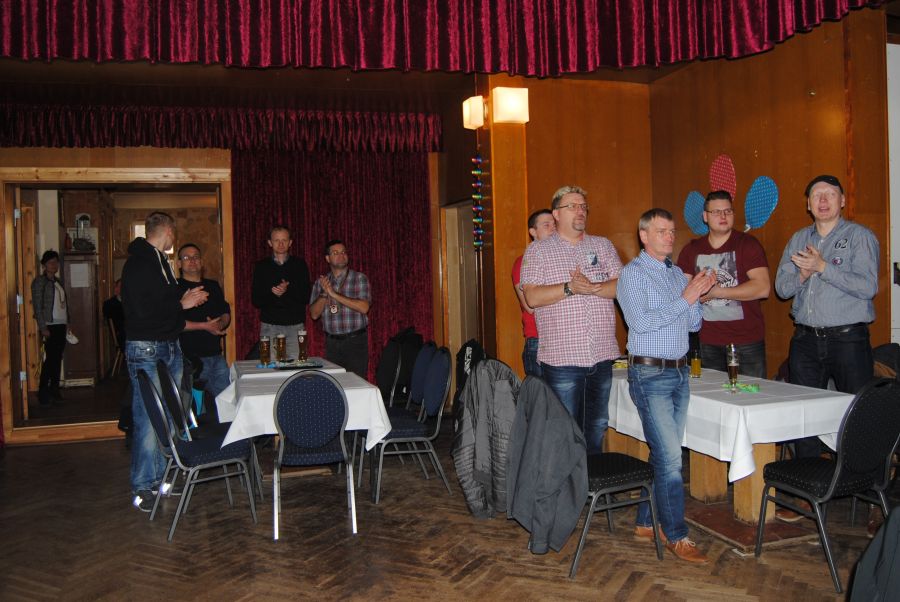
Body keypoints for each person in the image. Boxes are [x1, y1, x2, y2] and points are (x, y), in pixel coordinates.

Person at [773, 174, 879, 522]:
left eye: (830, 194)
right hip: (805, 339)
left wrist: (822, 268)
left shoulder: (859, 237)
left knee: (861, 416)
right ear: (808, 203)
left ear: (842, 201)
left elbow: (868, 287)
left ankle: (873, 500)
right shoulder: (798, 239)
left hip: (848, 339)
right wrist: (803, 275)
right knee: (805, 414)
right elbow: (782, 288)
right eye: (816, 195)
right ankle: (807, 493)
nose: (822, 200)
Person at [617, 208, 716, 564]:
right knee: (672, 457)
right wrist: (686, 298)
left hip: (679, 372)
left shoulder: (676, 274)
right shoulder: (632, 274)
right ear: (644, 236)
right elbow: (640, 324)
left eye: (672, 231)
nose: (670, 237)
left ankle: (646, 522)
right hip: (650, 374)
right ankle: (677, 535)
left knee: (664, 452)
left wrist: (696, 295)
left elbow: (692, 325)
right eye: (662, 231)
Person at [122, 212, 214, 512]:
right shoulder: (139, 263)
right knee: (148, 417)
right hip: (146, 348)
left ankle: (160, 478)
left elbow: (162, 301)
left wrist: (185, 297)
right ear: (169, 232)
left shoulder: (160, 261)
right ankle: (142, 485)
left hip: (167, 345)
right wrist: (181, 303)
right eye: (174, 233)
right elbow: (141, 310)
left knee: (169, 416)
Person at [520, 185, 622, 454]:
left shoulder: (602, 245)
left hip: (601, 355)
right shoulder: (538, 251)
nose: (580, 211)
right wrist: (570, 288)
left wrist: (592, 287)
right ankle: (566, 482)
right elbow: (532, 297)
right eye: (572, 206)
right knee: (564, 433)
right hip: (562, 360)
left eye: (583, 206)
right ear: (556, 214)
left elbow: (622, 286)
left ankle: (591, 480)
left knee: (596, 428)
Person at [676, 190, 770, 377]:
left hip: (747, 340)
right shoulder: (691, 249)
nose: (723, 216)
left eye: (728, 211)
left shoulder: (747, 244)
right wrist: (698, 295)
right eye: (716, 212)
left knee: (752, 394)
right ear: (705, 216)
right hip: (708, 340)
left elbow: (763, 288)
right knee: (713, 394)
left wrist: (717, 292)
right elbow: (682, 291)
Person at [309, 240, 371, 379]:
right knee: (335, 384)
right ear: (327, 258)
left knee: (356, 383)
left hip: (355, 341)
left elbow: (364, 308)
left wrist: (334, 294)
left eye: (343, 252)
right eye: (335, 253)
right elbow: (314, 314)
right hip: (332, 343)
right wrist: (324, 293)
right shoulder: (321, 283)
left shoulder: (359, 278)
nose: (341, 255)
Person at [176, 243, 231, 398]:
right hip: (189, 359)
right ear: (179, 263)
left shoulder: (212, 286)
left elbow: (225, 312)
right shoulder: (174, 288)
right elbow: (173, 323)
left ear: (201, 262)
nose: (192, 260)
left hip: (216, 355)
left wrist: (220, 324)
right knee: (194, 407)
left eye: (196, 257)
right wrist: (205, 326)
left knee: (226, 402)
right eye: (186, 257)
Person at [251, 225, 311, 361]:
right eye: (277, 240)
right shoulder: (261, 266)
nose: (281, 244)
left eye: (284, 240)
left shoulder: (299, 265)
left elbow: (306, 296)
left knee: (297, 365)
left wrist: (287, 290)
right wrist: (273, 294)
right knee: (271, 367)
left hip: (295, 326)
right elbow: (256, 300)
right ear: (270, 243)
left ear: (290, 242)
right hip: (270, 326)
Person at [511, 209, 556, 377]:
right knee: (542, 394)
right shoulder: (524, 262)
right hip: (539, 341)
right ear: (533, 232)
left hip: (565, 340)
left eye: (555, 224)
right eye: (546, 225)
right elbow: (529, 305)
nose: (553, 228)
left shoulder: (561, 260)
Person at [31, 250, 69, 406]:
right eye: (51, 262)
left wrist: (68, 323)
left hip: (61, 325)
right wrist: (43, 327)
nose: (54, 265)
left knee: (57, 358)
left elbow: (64, 304)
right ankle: (43, 391)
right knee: (50, 360)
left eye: (56, 262)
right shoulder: (39, 282)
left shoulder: (58, 282)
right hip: (50, 326)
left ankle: (54, 389)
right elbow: (37, 307)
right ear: (44, 265)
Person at [102, 279, 126, 350]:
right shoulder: (109, 304)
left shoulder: (130, 302)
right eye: (118, 286)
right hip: (121, 335)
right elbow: (108, 318)